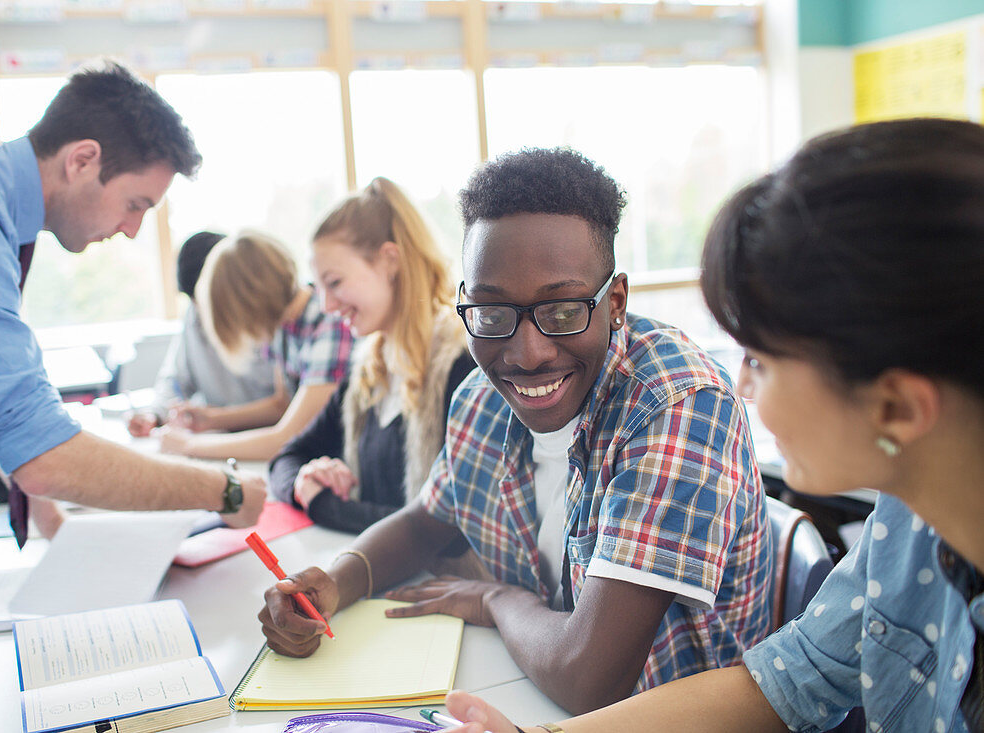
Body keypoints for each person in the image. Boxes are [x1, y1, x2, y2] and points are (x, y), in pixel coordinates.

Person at [442, 118, 984, 732]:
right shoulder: (909, 518)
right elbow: (792, 677)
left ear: (898, 409)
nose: (741, 387)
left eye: (758, 359)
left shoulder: (679, 396)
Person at [258, 148, 771, 714]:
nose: (526, 355)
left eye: (562, 311)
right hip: (531, 700)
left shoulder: (675, 405)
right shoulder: (479, 396)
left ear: (616, 302)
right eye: (493, 314)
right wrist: (334, 582)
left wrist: (497, 601)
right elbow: (430, 519)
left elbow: (589, 679)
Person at [0, 60, 266, 539]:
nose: (131, 231)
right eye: (135, 205)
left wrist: (50, 518)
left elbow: (0, 388)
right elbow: (41, 455)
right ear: (81, 160)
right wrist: (225, 491)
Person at [269, 177, 475, 534]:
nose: (327, 306)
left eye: (334, 283)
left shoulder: (463, 367)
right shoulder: (366, 369)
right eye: (318, 289)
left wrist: (325, 504)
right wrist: (307, 478)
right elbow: (286, 459)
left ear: (389, 261)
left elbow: (442, 528)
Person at [158, 229, 354, 461]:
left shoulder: (328, 325)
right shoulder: (285, 326)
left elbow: (286, 438)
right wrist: (213, 418)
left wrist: (190, 444)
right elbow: (282, 404)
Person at [127, 230, 278, 438]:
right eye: (194, 301)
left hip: (264, 438)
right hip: (218, 438)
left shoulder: (268, 322)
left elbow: (283, 404)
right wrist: (154, 415)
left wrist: (216, 417)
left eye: (206, 300)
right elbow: (176, 380)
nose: (201, 310)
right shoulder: (194, 316)